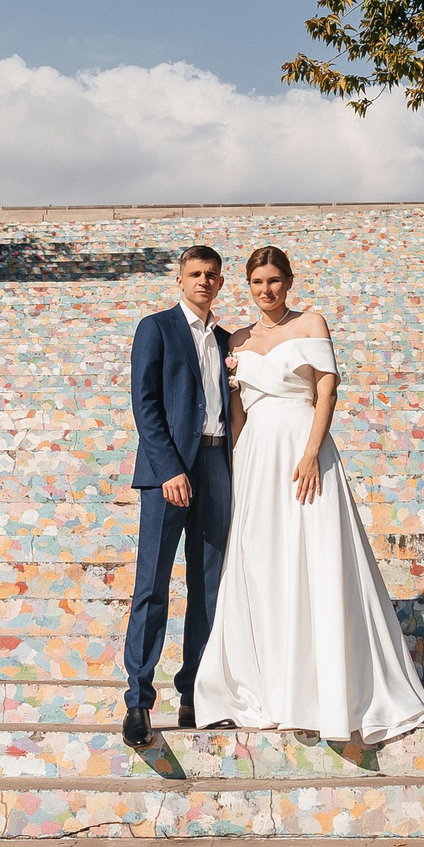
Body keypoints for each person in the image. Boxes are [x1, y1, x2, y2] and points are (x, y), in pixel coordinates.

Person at [188, 244, 424, 744]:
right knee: (262, 565)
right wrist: (232, 465)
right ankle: (272, 690)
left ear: (289, 281)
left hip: (305, 452)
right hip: (258, 458)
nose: (267, 290)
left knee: (315, 560)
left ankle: (324, 695)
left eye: (275, 281)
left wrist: (311, 451)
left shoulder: (312, 324)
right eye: (258, 282)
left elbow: (327, 391)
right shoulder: (237, 338)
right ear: (248, 286)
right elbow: (237, 413)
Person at [120, 244, 235, 747]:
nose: (203, 281)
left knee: (208, 590)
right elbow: (145, 404)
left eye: (212, 275)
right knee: (153, 585)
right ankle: (139, 703)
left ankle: (195, 697)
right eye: (195, 274)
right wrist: (168, 468)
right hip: (169, 470)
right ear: (180, 279)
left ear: (221, 283)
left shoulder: (229, 338)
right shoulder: (157, 328)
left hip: (216, 466)